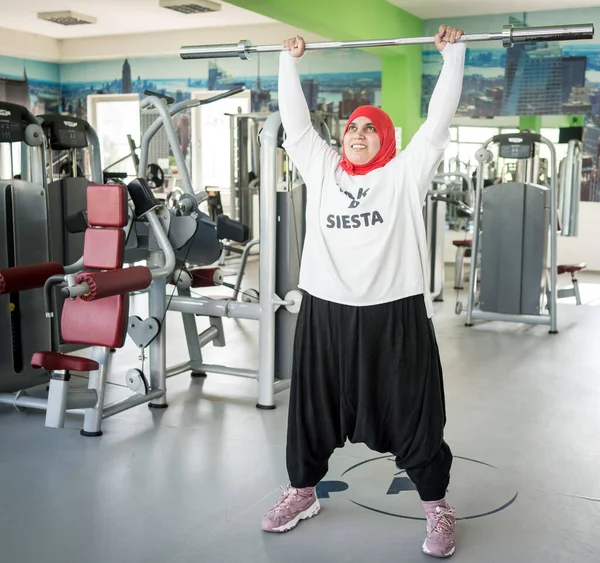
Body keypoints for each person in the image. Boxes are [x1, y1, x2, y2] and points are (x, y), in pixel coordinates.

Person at [262, 25, 466, 559]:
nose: (357, 134)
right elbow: (298, 125)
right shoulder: (324, 170)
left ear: (386, 139)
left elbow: (439, 123)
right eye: (352, 127)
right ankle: (302, 491)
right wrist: (290, 64)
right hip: (326, 310)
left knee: (414, 413)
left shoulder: (403, 175)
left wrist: (454, 57)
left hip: (393, 312)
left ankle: (436, 505)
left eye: (369, 129)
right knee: (311, 409)